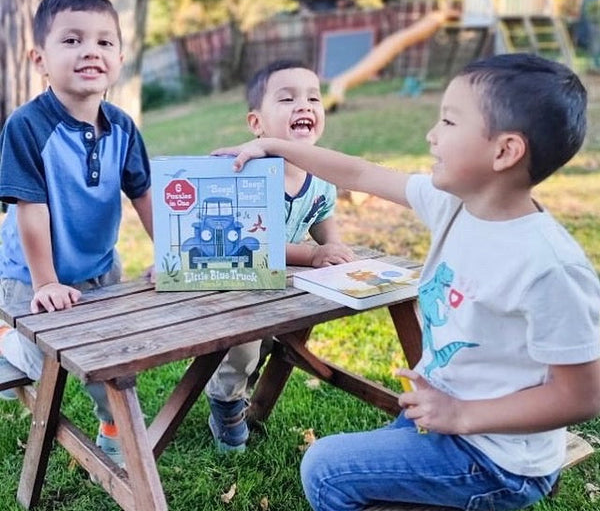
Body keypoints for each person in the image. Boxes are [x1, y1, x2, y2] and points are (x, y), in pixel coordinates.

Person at [212, 53, 600, 510]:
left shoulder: (549, 267)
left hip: (500, 459)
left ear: (505, 151)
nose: (431, 135)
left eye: (449, 123)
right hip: (444, 414)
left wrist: (463, 416)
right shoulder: (454, 204)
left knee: (325, 468)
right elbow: (360, 172)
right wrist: (274, 148)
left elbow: (582, 397)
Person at [0, 0, 153, 470]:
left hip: (99, 267)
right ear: (40, 58)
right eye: (72, 40)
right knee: (49, 364)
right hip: (29, 274)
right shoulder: (27, 126)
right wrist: (45, 282)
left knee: (114, 354)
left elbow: (144, 194)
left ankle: (114, 424)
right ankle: (7, 340)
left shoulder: (124, 127)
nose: (91, 50)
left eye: (105, 43)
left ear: (120, 58)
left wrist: (173, 257)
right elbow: (31, 208)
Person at [205, 59, 354, 453]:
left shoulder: (319, 171)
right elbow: (253, 243)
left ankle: (243, 387)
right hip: (239, 284)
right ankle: (225, 402)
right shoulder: (249, 173)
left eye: (313, 98)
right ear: (257, 124)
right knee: (245, 344)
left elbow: (321, 211)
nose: (303, 105)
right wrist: (312, 254)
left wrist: (332, 243)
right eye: (287, 98)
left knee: (274, 340)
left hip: (283, 285)